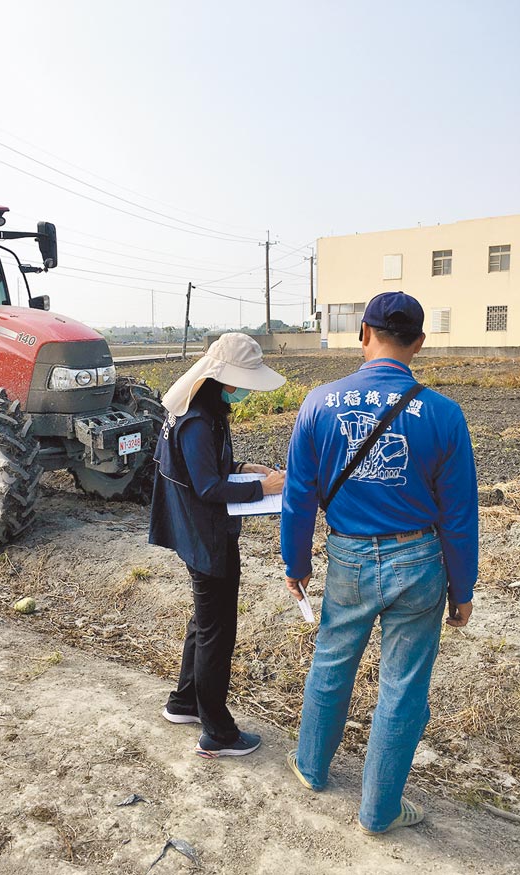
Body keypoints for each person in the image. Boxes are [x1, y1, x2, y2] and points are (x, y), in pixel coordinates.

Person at [281, 291, 478, 835]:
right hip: (419, 560)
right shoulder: (443, 414)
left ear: (362, 334)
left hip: (348, 557)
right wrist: (463, 588)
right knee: (403, 685)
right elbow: (460, 514)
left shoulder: (318, 403)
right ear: (419, 343)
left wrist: (295, 563)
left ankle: (311, 767)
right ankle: (380, 809)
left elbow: (299, 495)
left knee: (331, 661)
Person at [150, 332, 286, 758]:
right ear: (223, 377)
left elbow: (206, 466)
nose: (244, 389)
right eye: (242, 380)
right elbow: (208, 487)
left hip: (200, 533)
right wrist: (261, 489)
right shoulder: (197, 419)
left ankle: (185, 702)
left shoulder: (203, 407)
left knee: (204, 622)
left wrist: (244, 467)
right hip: (207, 537)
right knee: (217, 632)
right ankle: (217, 732)